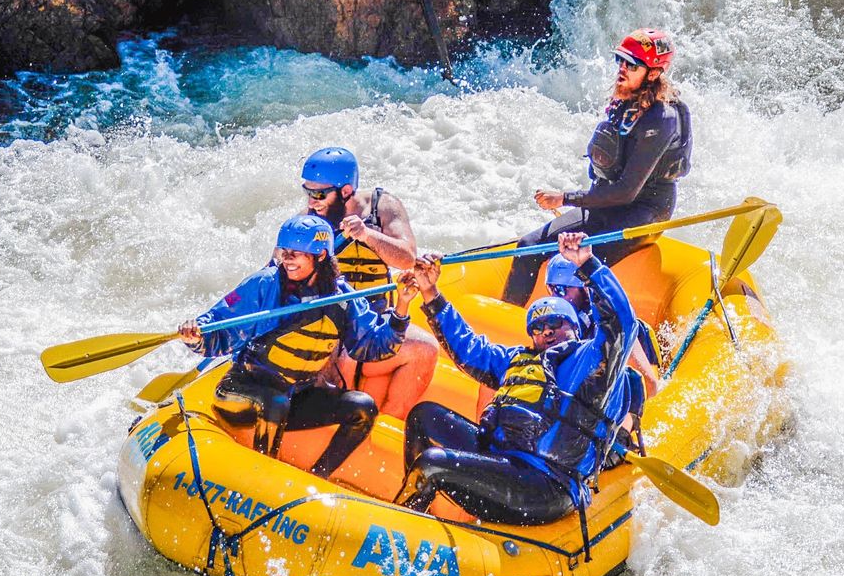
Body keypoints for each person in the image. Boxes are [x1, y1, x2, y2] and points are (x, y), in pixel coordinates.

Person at [393, 233, 637, 525]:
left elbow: (622, 325)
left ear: (573, 327)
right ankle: (422, 504)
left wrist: (587, 264)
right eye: (538, 327)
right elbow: (469, 349)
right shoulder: (518, 361)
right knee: (425, 415)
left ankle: (406, 521)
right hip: (503, 461)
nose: (546, 331)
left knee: (432, 463)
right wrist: (430, 292)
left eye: (554, 323)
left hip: (546, 484)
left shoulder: (589, 365)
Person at [176, 214, 410, 479]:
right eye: (284, 252)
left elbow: (372, 346)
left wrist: (401, 307)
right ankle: (261, 479)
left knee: (362, 407)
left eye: (295, 254)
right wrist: (198, 335)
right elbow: (219, 325)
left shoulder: (343, 298)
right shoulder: (265, 284)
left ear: (321, 256)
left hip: (296, 393)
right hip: (242, 390)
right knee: (274, 402)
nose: (286, 260)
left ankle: (319, 475)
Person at [502, 28, 693, 305]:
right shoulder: (624, 99)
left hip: (643, 212)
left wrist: (566, 198)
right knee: (528, 247)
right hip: (606, 204)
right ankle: (508, 322)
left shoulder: (661, 119)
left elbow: (627, 191)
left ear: (653, 73)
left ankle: (575, 336)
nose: (623, 69)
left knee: (573, 266)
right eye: (621, 61)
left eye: (633, 65)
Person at [300, 146, 438, 420]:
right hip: (333, 321)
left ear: (346, 191)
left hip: (377, 318)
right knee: (340, 360)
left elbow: (407, 257)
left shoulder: (383, 207)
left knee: (426, 350)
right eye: (307, 191)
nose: (312, 201)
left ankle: (389, 422)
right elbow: (278, 272)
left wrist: (367, 235)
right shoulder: (309, 222)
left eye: (319, 193)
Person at [545, 253, 662, 399]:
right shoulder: (559, 327)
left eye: (561, 290)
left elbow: (649, 386)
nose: (555, 298)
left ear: (585, 290)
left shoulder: (611, 326)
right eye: (551, 290)